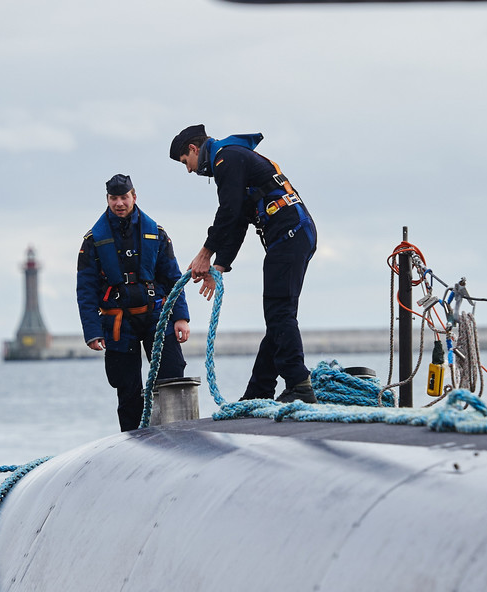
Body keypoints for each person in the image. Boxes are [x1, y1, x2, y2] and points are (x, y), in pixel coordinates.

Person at [169, 124, 318, 404]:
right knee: (278, 315)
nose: (188, 170)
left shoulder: (227, 158)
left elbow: (229, 211)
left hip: (290, 234)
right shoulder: (233, 160)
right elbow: (237, 222)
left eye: (185, 162)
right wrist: (220, 266)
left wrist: (205, 253)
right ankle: (258, 391)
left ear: (193, 149)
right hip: (293, 235)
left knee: (279, 312)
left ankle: (299, 383)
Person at [76, 174, 191, 431]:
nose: (119, 203)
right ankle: (133, 438)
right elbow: (85, 289)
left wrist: (181, 316)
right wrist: (92, 331)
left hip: (157, 316)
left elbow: (173, 276)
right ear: (107, 199)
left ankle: (179, 435)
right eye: (114, 198)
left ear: (134, 196)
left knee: (172, 378)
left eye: (124, 197)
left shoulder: (157, 234)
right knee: (127, 389)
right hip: (118, 322)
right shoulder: (92, 241)